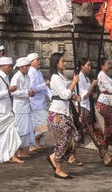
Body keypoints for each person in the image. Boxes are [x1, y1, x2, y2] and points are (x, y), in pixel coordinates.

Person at [76, 58, 112, 166]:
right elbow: (83, 95)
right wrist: (93, 85)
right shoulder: (78, 78)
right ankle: (105, 156)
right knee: (91, 134)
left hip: (89, 108)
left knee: (95, 133)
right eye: (88, 65)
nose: (89, 67)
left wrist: (93, 95)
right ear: (81, 66)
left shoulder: (87, 78)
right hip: (82, 109)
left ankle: (105, 156)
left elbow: (88, 94)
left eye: (90, 66)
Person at [46, 52, 79, 180]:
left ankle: (54, 156)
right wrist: (74, 82)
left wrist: (74, 95)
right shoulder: (54, 77)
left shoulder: (62, 76)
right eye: (62, 61)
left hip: (65, 111)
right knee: (63, 140)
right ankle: (58, 169)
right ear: (56, 63)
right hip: (57, 113)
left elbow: (68, 94)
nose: (65, 63)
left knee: (75, 136)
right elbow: (65, 94)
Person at [11, 57, 35, 158]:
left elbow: (28, 90)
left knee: (27, 129)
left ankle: (21, 151)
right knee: (20, 129)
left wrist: (31, 93)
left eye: (28, 66)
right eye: (26, 67)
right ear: (21, 67)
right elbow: (13, 92)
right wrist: (26, 93)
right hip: (19, 107)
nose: (28, 68)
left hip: (26, 105)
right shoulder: (16, 77)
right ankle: (15, 151)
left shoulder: (27, 76)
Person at [27, 52, 51, 151]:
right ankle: (31, 143)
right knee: (42, 124)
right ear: (31, 62)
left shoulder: (39, 72)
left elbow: (45, 88)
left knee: (41, 124)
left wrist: (51, 97)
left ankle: (36, 144)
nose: (39, 61)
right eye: (37, 60)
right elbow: (32, 88)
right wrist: (45, 84)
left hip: (42, 102)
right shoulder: (30, 72)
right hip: (35, 103)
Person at [96, 58, 112, 148]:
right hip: (103, 103)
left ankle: (105, 151)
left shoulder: (105, 75)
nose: (109, 65)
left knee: (108, 127)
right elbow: (110, 90)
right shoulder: (102, 75)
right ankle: (103, 143)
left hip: (107, 103)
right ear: (102, 66)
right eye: (108, 64)